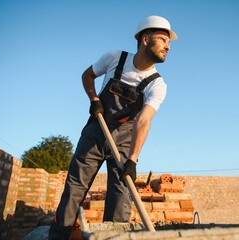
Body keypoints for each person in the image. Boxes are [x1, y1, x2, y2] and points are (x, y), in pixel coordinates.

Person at [49, 15, 177, 239]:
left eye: (169, 42)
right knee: (74, 190)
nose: (168, 46)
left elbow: (144, 120)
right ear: (145, 39)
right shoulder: (115, 58)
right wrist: (94, 100)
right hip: (96, 133)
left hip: (125, 142)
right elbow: (87, 75)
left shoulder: (158, 84)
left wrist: (133, 160)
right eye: (163, 39)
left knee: (120, 198)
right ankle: (59, 236)